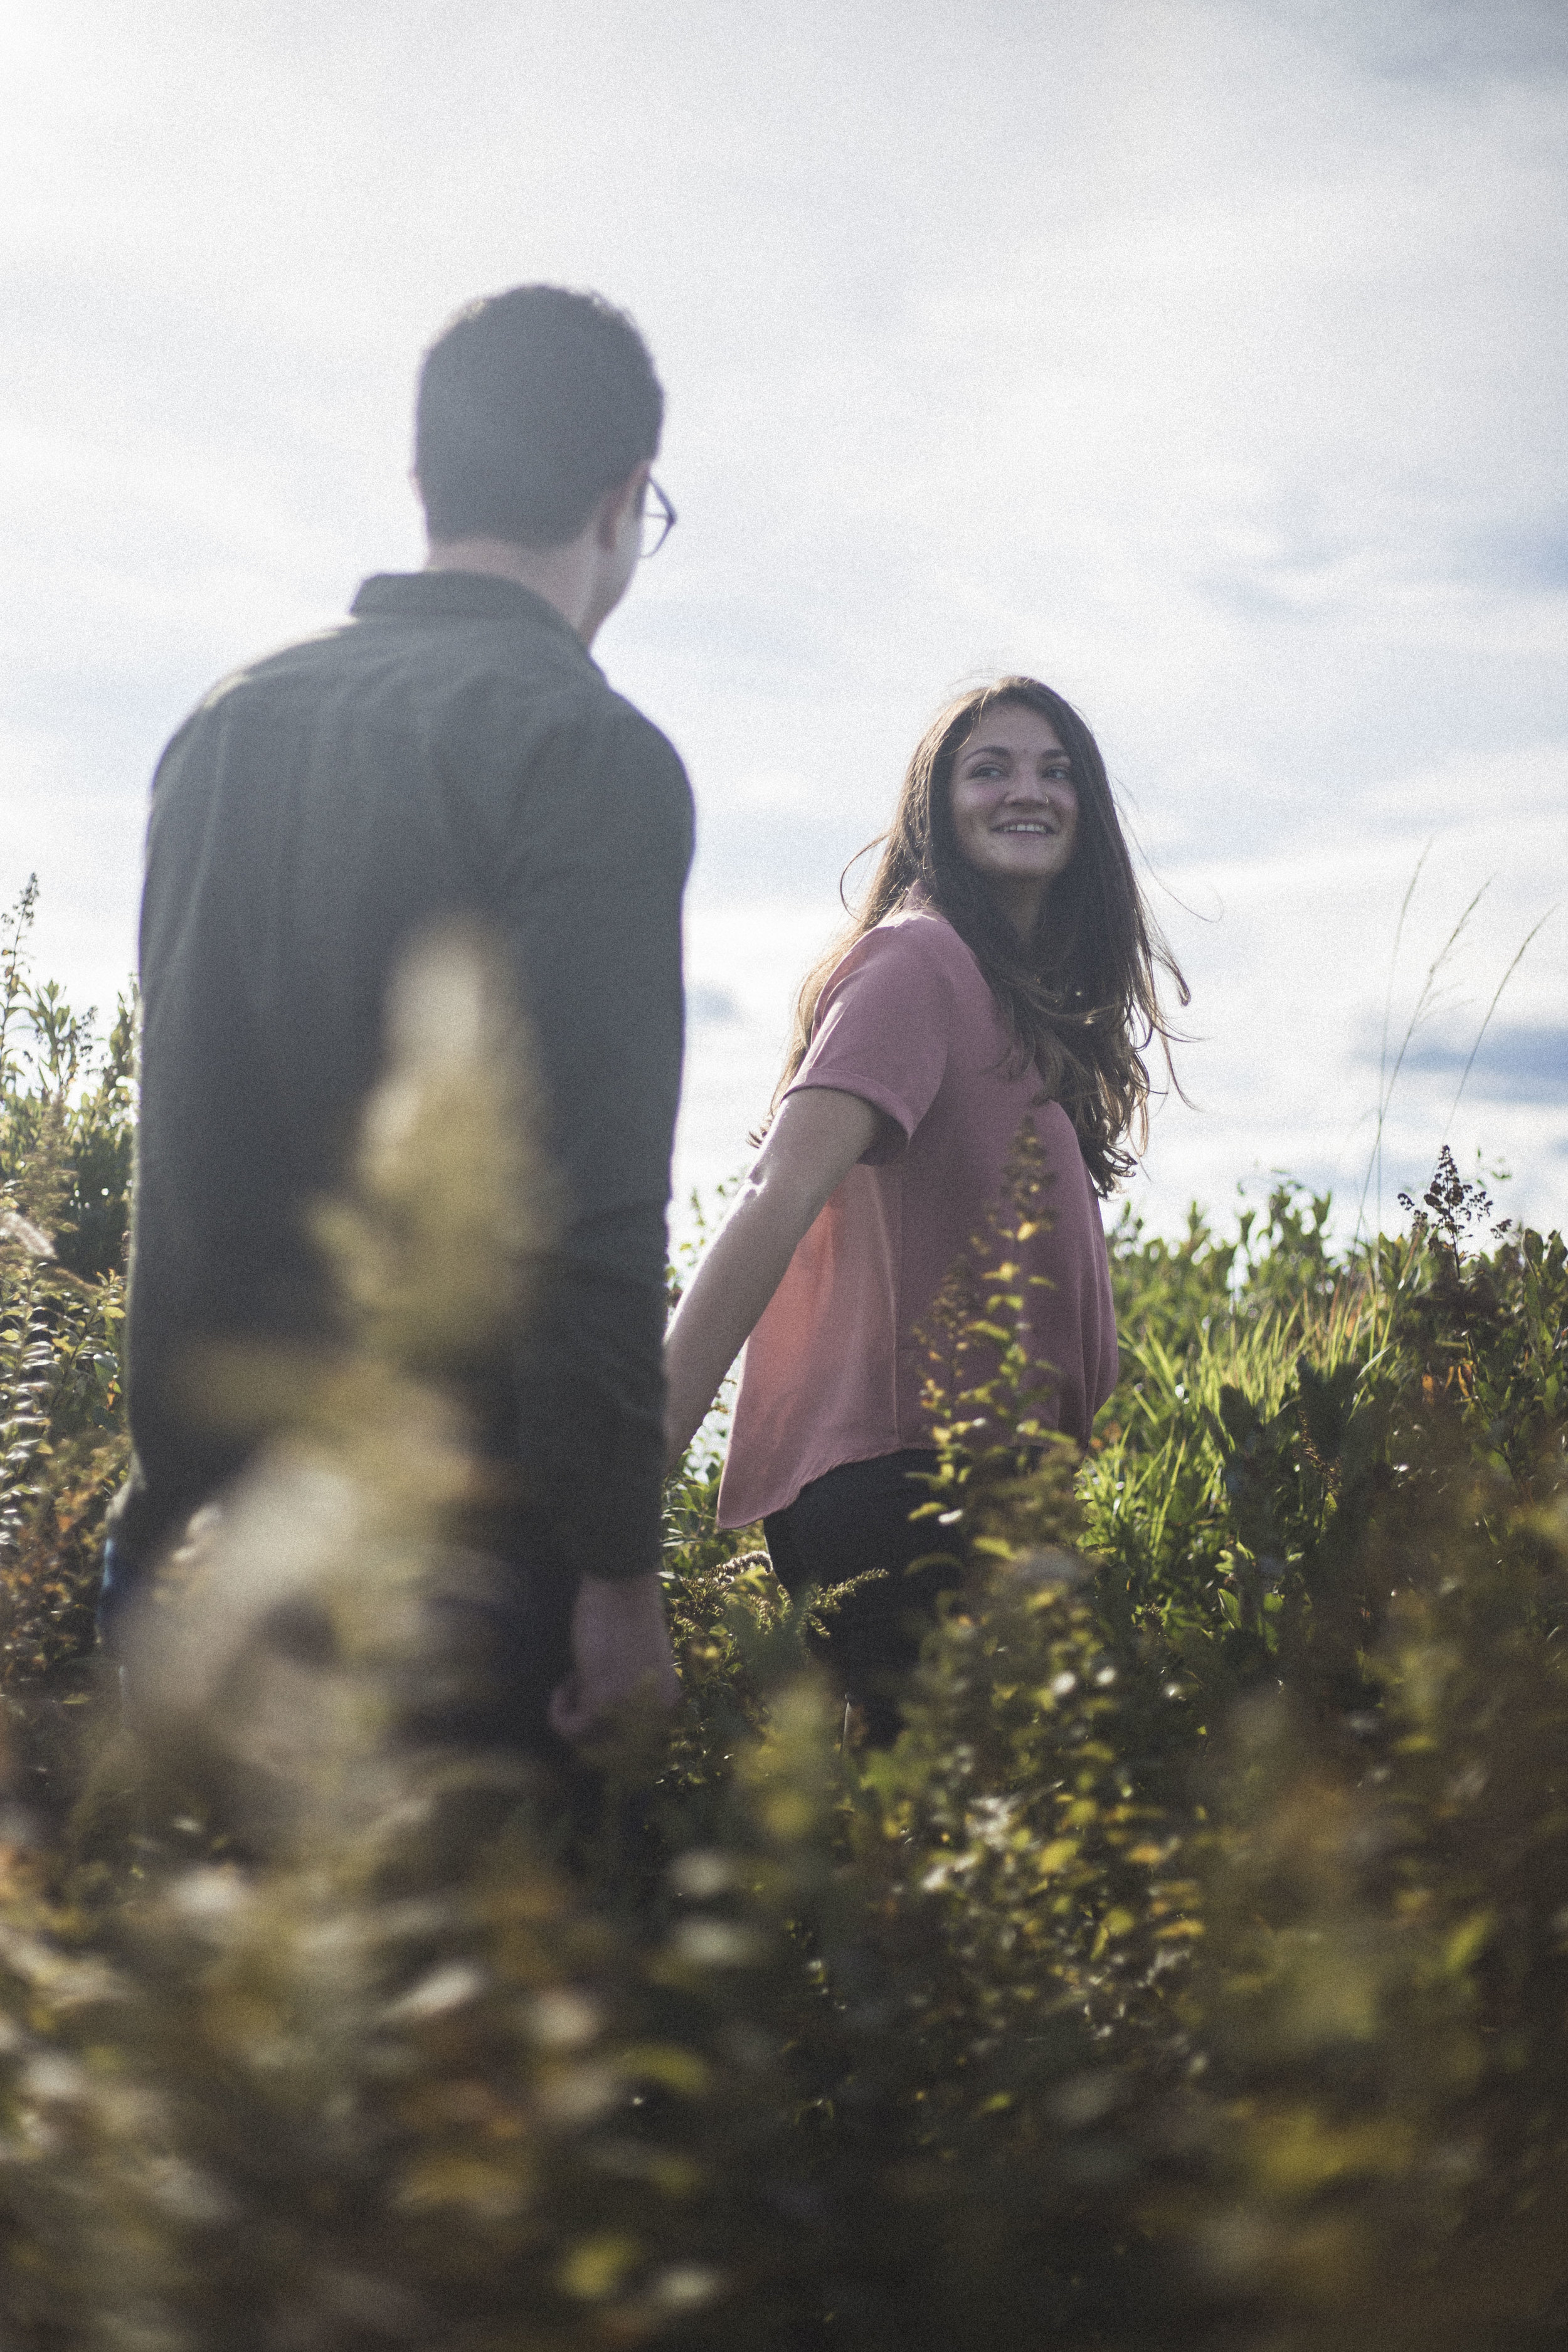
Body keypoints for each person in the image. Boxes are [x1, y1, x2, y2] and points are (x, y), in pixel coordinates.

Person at [103, 285, 692, 1751]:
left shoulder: (223, 724)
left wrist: (168, 1513)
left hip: (199, 1539)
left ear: (426, 473)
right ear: (625, 498)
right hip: (457, 1582)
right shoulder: (588, 752)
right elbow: (589, 1207)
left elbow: (176, 1153)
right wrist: (618, 1572)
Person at [662, 677, 1186, 1740]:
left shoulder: (1020, 1010)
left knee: (913, 1853)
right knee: (959, 1839)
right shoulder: (918, 963)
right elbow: (776, 1192)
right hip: (911, 1486)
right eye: (988, 767)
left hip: (977, 1488)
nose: (1025, 789)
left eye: (1055, 769)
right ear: (934, 809)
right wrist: (639, 1468)